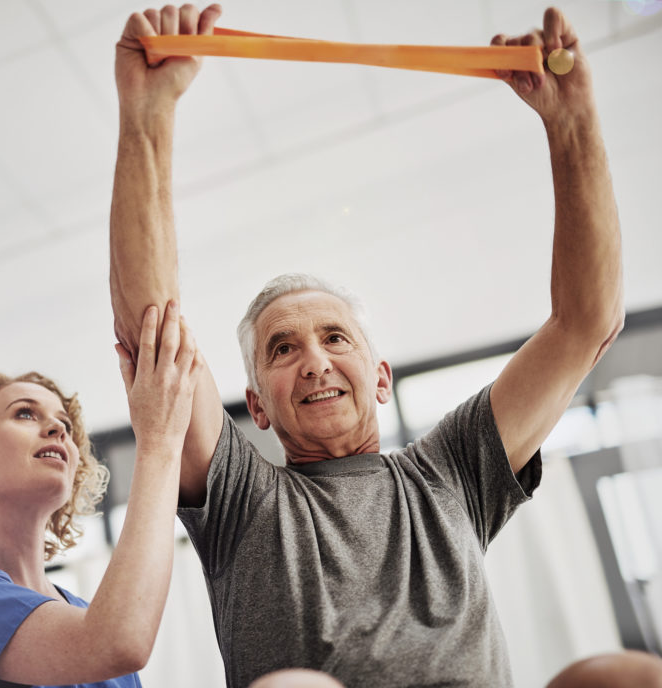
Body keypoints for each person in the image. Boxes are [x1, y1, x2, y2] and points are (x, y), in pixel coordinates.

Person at [109, 4, 642, 688]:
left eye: (335, 338)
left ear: (381, 377)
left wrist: (572, 126)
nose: (316, 361)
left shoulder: (451, 472)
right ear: (258, 406)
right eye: (283, 350)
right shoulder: (245, 501)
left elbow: (584, 325)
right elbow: (153, 331)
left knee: (615, 676)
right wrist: (148, 115)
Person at [0, 302, 200, 687]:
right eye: (25, 413)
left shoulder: (91, 618)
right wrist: (159, 439)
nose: (57, 427)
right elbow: (117, 643)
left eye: (65, 424)